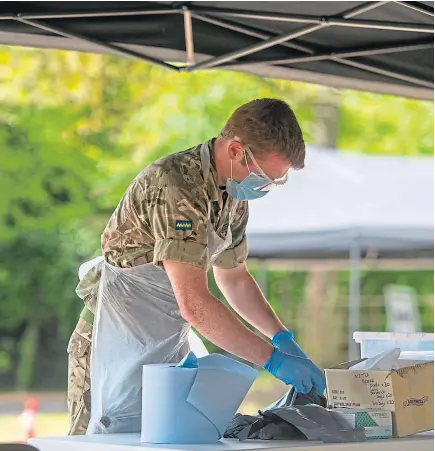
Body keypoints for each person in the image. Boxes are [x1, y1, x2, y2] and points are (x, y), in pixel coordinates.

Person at [66, 98, 326, 435]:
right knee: (106, 439)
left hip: (166, 345)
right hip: (111, 343)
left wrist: (281, 337)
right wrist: (272, 360)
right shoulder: (175, 185)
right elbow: (195, 304)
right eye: (263, 178)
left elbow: (234, 277)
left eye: (274, 183)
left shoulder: (232, 195)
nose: (264, 189)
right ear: (235, 150)